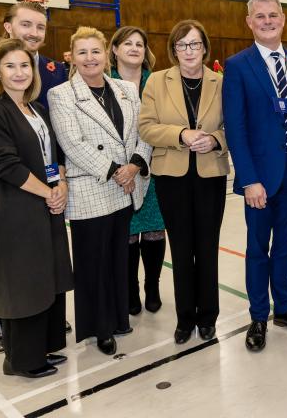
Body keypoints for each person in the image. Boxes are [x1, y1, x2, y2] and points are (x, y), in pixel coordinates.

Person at [0, 0, 68, 353]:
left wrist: (57, 181)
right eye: (26, 25)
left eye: (40, 27)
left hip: (43, 185)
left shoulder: (52, 70)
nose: (33, 33)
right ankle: (0, 319)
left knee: (41, 262)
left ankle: (42, 317)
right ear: (8, 27)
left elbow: (50, 134)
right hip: (9, 189)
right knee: (8, 264)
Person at [223, 0, 287, 352]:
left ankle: (284, 308)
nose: (267, 21)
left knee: (286, 246)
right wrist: (248, 178)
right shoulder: (238, 65)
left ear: (284, 19)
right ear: (249, 22)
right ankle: (258, 315)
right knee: (257, 248)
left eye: (273, 15)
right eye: (260, 17)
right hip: (261, 176)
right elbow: (235, 127)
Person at [48, 26, 152, 356]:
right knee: (93, 262)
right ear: (72, 57)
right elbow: (71, 144)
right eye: (82, 52)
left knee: (118, 259)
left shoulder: (125, 89)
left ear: (106, 53)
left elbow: (144, 131)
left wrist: (135, 164)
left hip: (126, 186)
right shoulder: (61, 95)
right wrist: (115, 171)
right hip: (92, 188)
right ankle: (99, 327)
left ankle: (119, 318)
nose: (90, 58)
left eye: (96, 51)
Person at [139, 20, 229, 344]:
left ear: (205, 47)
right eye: (182, 45)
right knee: (180, 247)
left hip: (210, 174)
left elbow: (235, 126)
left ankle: (208, 317)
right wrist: (181, 134)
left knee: (207, 247)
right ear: (173, 50)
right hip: (171, 177)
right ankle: (184, 319)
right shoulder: (157, 82)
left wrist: (216, 140)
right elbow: (146, 127)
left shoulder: (221, 82)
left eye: (194, 44)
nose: (189, 51)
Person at [109, 26, 167, 316]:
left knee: (155, 230)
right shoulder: (105, 82)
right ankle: (130, 288)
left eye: (140, 44)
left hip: (154, 168)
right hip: (118, 174)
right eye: (127, 43)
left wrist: (138, 164)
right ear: (115, 49)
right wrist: (123, 168)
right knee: (128, 235)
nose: (134, 48)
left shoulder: (155, 82)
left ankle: (153, 287)